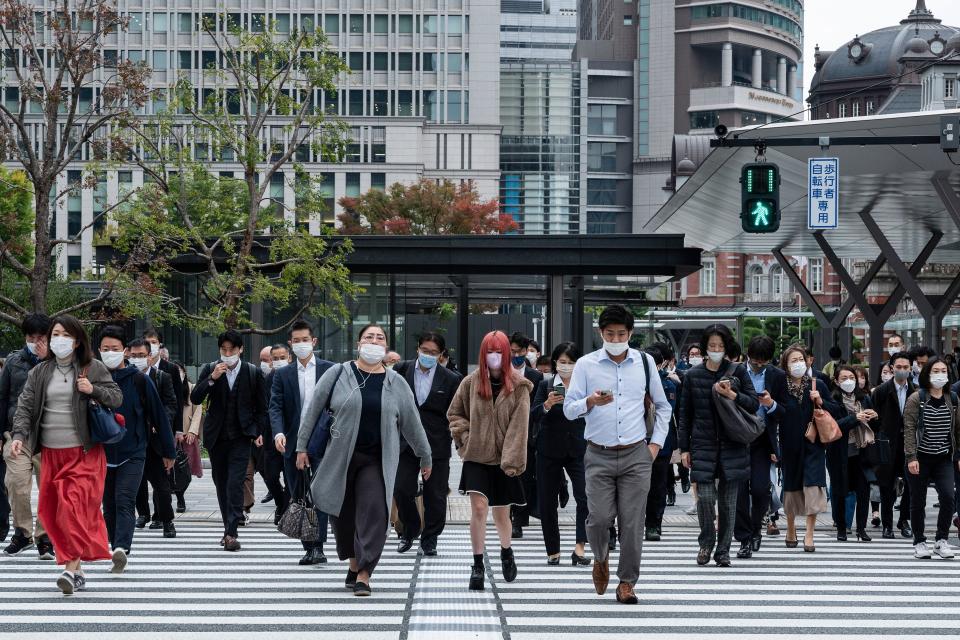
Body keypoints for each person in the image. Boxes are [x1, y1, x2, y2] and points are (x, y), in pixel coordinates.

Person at [296, 323, 431, 597]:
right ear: (358, 344)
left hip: (377, 460)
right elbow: (312, 411)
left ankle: (365, 573)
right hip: (341, 458)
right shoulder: (338, 373)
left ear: (386, 347)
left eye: (379, 337)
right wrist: (301, 447)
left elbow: (412, 423)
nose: (374, 340)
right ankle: (354, 562)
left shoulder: (396, 383)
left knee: (374, 511)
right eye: (368, 336)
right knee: (343, 516)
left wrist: (425, 456)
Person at [565, 306, 671, 604]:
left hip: (637, 453)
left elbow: (663, 407)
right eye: (610, 333)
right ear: (601, 333)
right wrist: (590, 401)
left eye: (621, 334)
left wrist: (655, 445)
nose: (615, 338)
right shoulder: (586, 365)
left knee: (632, 521)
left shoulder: (645, 362)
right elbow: (570, 409)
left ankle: (627, 582)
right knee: (598, 518)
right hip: (598, 453)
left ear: (630, 334)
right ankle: (600, 558)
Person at [9, 315, 122, 594]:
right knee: (55, 513)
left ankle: (69, 571)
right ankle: (79, 570)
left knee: (73, 506)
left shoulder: (91, 367)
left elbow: (116, 396)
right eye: (55, 334)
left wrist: (92, 389)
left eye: (65, 335)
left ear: (76, 340)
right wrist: (20, 436)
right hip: (51, 453)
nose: (59, 340)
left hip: (84, 453)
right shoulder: (40, 372)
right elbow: (24, 407)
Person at [449, 330, 532, 592]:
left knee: (501, 514)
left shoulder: (519, 387)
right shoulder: (470, 383)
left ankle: (506, 551)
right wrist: (465, 437)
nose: (494, 356)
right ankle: (477, 565)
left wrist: (512, 461)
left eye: (499, 351)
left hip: (505, 460)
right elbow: (455, 413)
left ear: (507, 354)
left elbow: (520, 428)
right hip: (476, 456)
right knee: (479, 509)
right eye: (489, 351)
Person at [678, 324, 759, 567]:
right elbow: (685, 415)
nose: (715, 350)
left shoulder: (738, 372)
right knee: (704, 497)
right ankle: (706, 542)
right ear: (704, 347)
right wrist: (684, 449)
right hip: (702, 444)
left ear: (727, 347)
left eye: (720, 346)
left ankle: (723, 550)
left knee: (728, 502)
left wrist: (733, 395)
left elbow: (753, 404)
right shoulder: (693, 376)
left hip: (733, 443)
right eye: (711, 346)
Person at [97, 326, 176, 573]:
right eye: (105, 349)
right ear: (99, 351)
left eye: (115, 349)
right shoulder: (92, 378)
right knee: (107, 505)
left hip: (134, 450)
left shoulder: (139, 379)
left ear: (125, 351)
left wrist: (168, 450)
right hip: (102, 453)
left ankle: (122, 548)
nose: (110, 353)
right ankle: (114, 544)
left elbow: (159, 416)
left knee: (124, 499)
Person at [191, 330, 269, 552]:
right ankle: (228, 527)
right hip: (216, 436)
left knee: (235, 482)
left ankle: (231, 532)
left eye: (231, 350)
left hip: (241, 436)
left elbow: (262, 408)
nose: (227, 354)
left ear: (240, 349)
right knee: (221, 483)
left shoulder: (252, 372)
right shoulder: (210, 369)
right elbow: (195, 397)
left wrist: (257, 431)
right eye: (223, 350)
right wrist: (212, 379)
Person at [269, 320, 334, 565]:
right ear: (290, 344)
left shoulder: (329, 370)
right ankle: (308, 545)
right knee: (298, 493)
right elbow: (275, 406)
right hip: (293, 443)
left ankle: (318, 546)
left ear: (314, 341)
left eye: (305, 340)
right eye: (296, 341)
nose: (301, 344)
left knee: (318, 492)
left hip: (322, 442)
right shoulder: (282, 374)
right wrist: (278, 433)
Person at [766, 344, 840, 553]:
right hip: (789, 444)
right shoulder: (779, 386)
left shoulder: (817, 384)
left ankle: (809, 533)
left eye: (801, 359)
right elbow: (773, 415)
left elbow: (836, 410)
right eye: (793, 360)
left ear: (808, 361)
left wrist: (820, 400)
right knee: (791, 486)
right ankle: (790, 527)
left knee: (814, 485)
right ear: (785, 365)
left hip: (814, 443)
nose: (798, 363)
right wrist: (773, 446)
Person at [393, 332, 461, 556]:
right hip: (405, 442)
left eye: (433, 353)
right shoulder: (401, 370)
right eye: (424, 351)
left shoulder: (450, 379)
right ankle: (410, 528)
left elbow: (456, 413)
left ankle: (430, 538)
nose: (428, 356)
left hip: (436, 444)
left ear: (441, 355)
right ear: (417, 349)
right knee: (401, 487)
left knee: (436, 494)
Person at [532, 341, 589, 565]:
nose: (566, 366)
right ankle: (552, 550)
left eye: (571, 362)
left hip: (578, 448)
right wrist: (547, 405)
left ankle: (580, 547)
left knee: (584, 496)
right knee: (547, 501)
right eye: (562, 362)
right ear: (555, 363)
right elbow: (534, 414)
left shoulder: (583, 385)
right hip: (548, 449)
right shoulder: (545, 384)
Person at [1, 313, 52, 558]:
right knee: (16, 482)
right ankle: (23, 532)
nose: (36, 341)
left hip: (50, 433)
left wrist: (47, 360)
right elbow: (3, 397)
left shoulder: (58, 362)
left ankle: (45, 536)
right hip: (16, 432)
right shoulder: (14, 361)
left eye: (41, 337)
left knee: (49, 487)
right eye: (31, 337)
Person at [903, 357, 960, 559]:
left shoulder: (952, 398)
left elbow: (957, 429)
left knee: (948, 497)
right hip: (920, 457)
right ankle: (919, 541)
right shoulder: (917, 398)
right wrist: (911, 457)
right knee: (918, 501)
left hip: (944, 457)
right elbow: (909, 429)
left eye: (943, 371)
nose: (940, 374)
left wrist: (958, 454)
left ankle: (941, 540)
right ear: (927, 374)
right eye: (936, 371)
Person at [734, 336, 785, 559]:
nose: (758, 365)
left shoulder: (777, 375)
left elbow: (785, 411)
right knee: (740, 492)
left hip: (763, 438)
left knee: (760, 488)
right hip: (737, 437)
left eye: (763, 362)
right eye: (755, 361)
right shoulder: (735, 372)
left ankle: (756, 530)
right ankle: (744, 538)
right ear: (748, 356)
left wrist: (770, 404)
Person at [129, 339, 179, 538]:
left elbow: (171, 404)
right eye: (133, 355)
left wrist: (160, 424)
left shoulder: (162, 377)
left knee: (161, 483)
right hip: (133, 439)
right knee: (137, 481)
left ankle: (167, 520)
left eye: (141, 355)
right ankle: (143, 514)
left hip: (155, 440)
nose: (137, 359)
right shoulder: (125, 378)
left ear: (150, 356)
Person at [830, 364, 878, 542]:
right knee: (840, 491)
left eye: (851, 378)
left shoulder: (864, 399)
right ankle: (841, 528)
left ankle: (861, 529)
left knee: (863, 491)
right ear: (836, 381)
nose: (848, 381)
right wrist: (854, 418)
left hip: (862, 451)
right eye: (844, 378)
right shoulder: (832, 400)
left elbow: (874, 428)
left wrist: (874, 416)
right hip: (840, 452)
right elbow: (832, 426)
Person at [870, 352, 915, 540]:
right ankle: (887, 525)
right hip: (887, 444)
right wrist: (880, 435)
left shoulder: (916, 391)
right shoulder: (881, 391)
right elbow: (873, 417)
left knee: (912, 484)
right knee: (886, 486)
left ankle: (904, 520)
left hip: (909, 445)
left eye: (906, 367)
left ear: (911, 369)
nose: (902, 370)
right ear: (891, 367)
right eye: (899, 367)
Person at [507, 331, 543, 539]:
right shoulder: (500, 372)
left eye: (519, 351)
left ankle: (519, 520)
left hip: (528, 434)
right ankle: (508, 514)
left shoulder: (535, 376)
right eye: (512, 351)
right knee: (507, 475)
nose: (516, 355)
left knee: (525, 477)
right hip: (505, 432)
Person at [643, 345, 678, 543]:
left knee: (658, 485)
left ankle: (654, 524)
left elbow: (670, 413)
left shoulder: (668, 385)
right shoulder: (633, 382)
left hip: (661, 442)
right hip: (636, 441)